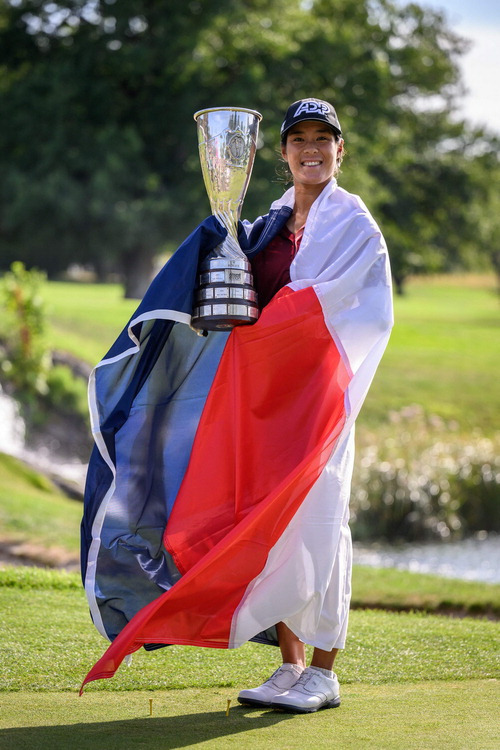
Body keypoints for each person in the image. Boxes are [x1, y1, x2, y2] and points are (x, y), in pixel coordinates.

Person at [80, 98, 393, 710]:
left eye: (322, 139)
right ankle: (289, 666)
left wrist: (274, 323)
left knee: (322, 522)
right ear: (280, 154)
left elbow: (350, 306)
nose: (311, 149)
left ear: (339, 150)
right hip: (266, 402)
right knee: (270, 526)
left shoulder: (355, 225)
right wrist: (216, 253)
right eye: (298, 139)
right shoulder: (267, 225)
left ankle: (324, 673)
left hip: (319, 404)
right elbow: (238, 295)